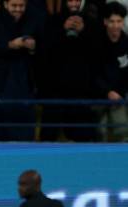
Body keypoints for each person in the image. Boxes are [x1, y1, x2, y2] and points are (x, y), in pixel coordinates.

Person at [39, 0, 100, 142]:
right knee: (48, 138)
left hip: (81, 91)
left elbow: (97, 54)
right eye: (70, 0)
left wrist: (83, 32)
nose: (74, 4)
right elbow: (45, 52)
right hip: (55, 91)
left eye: (77, 0)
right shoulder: (53, 21)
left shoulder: (91, 23)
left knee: (84, 140)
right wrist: (62, 30)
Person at [0, 0, 42, 141]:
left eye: (21, 6)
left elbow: (44, 50)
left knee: (25, 133)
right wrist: (10, 45)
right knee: (0, 134)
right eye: (14, 6)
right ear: (5, 4)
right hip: (0, 85)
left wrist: (33, 47)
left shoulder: (33, 21)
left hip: (25, 85)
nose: (18, 9)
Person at [95, 2, 128, 141]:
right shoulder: (95, 43)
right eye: (112, 21)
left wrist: (117, 93)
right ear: (105, 22)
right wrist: (107, 92)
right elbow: (92, 73)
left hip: (118, 97)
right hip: (97, 95)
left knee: (123, 130)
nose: (115, 26)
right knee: (99, 132)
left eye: (119, 21)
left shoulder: (127, 43)